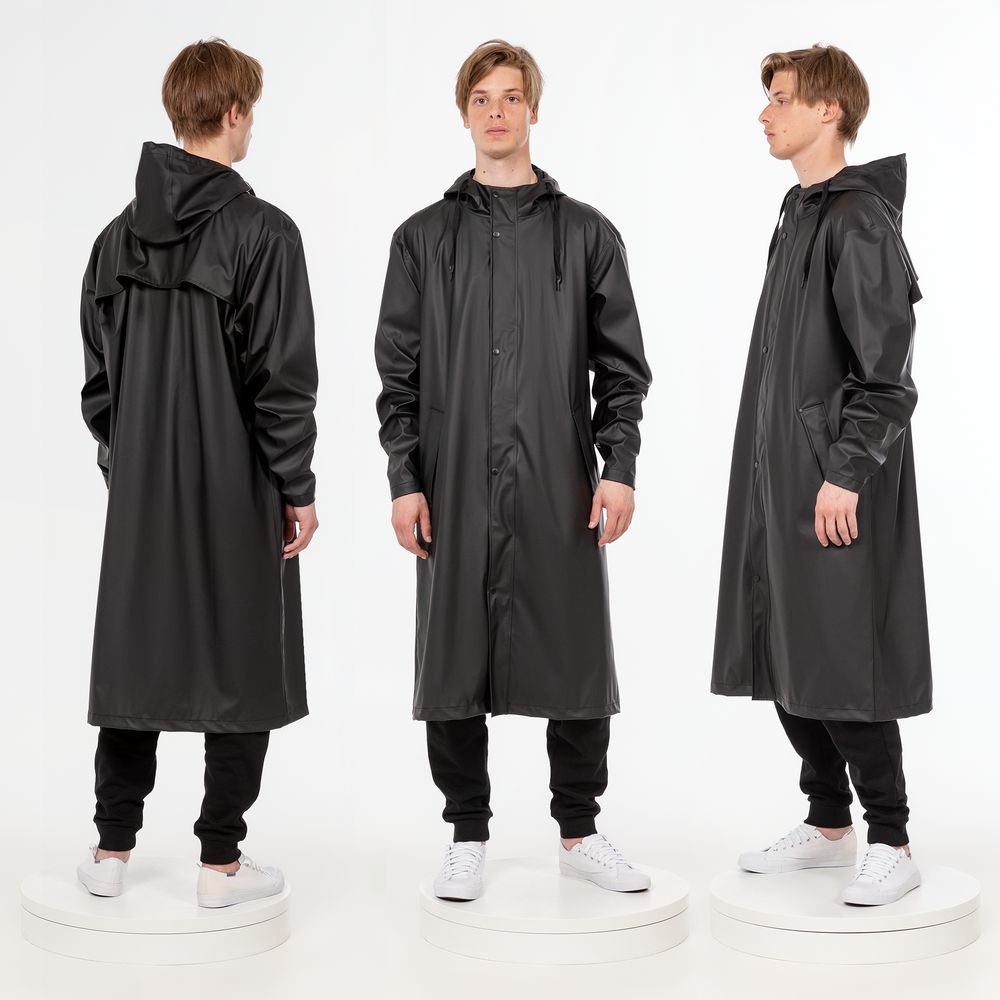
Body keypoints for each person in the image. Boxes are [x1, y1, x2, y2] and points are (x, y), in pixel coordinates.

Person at [375, 39, 653, 901]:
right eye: (482, 98)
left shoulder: (586, 234)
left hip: (556, 481)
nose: (496, 112)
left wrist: (619, 465)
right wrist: (404, 478)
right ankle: (466, 833)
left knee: (575, 656)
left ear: (534, 109)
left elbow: (622, 368)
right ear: (464, 113)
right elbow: (398, 375)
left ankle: (580, 829)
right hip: (454, 480)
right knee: (453, 658)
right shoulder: (423, 239)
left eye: (511, 96)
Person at [76, 38, 319, 908]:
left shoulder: (112, 241)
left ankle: (110, 852)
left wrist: (134, 460)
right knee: (241, 658)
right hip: (238, 487)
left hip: (142, 493)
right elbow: (282, 380)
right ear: (236, 112)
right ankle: (221, 864)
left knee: (135, 657)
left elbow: (99, 384)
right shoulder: (265, 233)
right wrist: (296, 486)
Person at [711, 44, 930, 906]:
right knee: (783, 646)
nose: (765, 113)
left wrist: (846, 471)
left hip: (835, 484)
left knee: (842, 657)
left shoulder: (859, 220)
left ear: (828, 110)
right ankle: (829, 820)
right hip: (780, 476)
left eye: (781, 98)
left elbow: (887, 375)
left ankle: (893, 838)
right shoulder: (800, 211)